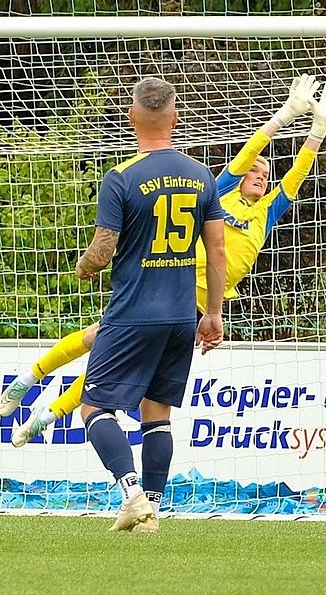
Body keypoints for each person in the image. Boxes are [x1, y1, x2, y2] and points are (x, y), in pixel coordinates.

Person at [0, 75, 326, 459]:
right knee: (95, 342)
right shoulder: (216, 192)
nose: (261, 178)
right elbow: (248, 152)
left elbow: (296, 177)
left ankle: (45, 413)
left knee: (105, 356)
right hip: (166, 284)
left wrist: (318, 129)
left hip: (192, 307)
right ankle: (31, 386)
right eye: (256, 173)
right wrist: (284, 116)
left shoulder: (266, 214)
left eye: (266, 177)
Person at [74, 76, 226, 532]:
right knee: (156, 412)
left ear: (131, 117)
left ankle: (131, 493)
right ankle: (150, 514)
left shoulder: (121, 178)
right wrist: (213, 314)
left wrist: (83, 267)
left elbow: (102, 252)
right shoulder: (201, 175)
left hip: (133, 313)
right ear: (176, 119)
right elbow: (216, 250)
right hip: (183, 314)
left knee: (92, 408)